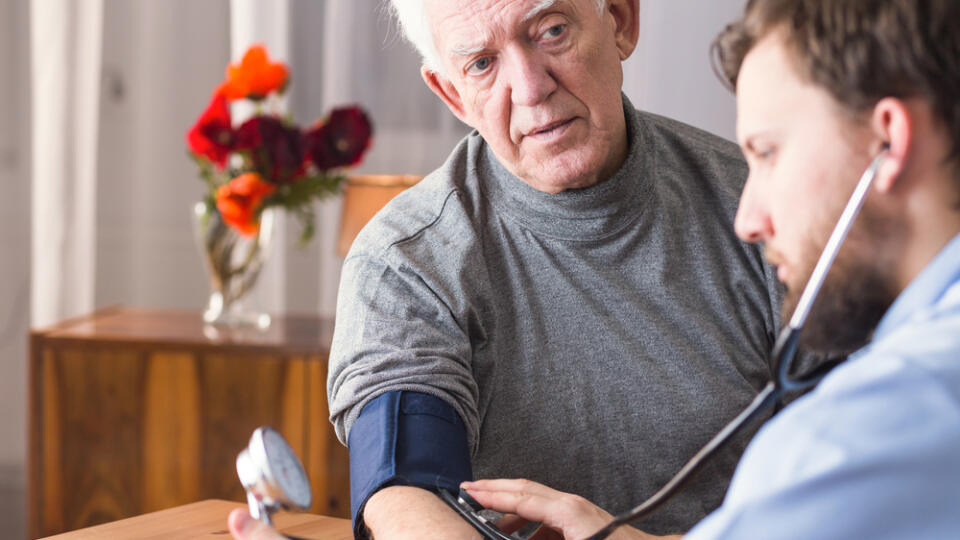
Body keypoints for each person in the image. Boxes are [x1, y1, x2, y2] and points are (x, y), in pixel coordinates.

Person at [229, 0, 788, 538]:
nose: (530, 88)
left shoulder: (764, 204)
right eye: (481, 63)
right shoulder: (405, 261)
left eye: (551, 31)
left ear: (620, 18)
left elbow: (860, 468)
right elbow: (407, 491)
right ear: (452, 94)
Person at [452, 0, 960, 538]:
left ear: (889, 141)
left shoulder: (862, 433)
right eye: (482, 63)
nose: (748, 220)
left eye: (767, 153)